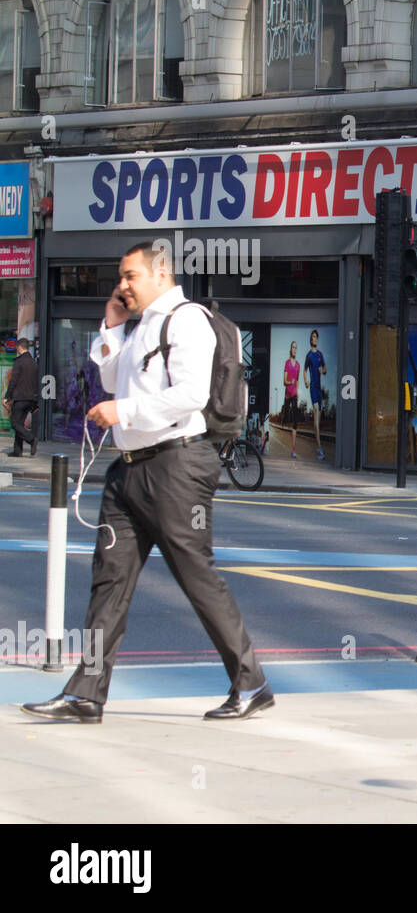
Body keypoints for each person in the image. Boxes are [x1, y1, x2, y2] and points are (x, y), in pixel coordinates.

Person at [21, 241, 273, 724]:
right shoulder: (140, 329)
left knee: (195, 575)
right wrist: (112, 328)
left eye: (130, 276)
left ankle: (252, 682)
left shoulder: (186, 320)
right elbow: (116, 380)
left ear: (160, 274)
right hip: (130, 469)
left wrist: (125, 411)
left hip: (176, 466)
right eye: (121, 277)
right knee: (109, 579)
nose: (122, 285)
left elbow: (190, 395)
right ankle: (86, 694)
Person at [3, 337, 39, 457]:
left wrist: (7, 397)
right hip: (30, 399)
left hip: (20, 398)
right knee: (19, 423)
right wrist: (35, 402)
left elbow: (13, 381)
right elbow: (36, 383)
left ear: (19, 347)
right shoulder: (33, 362)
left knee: (14, 423)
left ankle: (31, 439)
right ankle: (17, 451)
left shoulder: (19, 362)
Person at [305, 329, 327, 461]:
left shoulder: (320, 355)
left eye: (316, 337)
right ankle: (319, 449)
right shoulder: (308, 355)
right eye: (313, 337)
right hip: (313, 386)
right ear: (310, 340)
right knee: (315, 411)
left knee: (318, 418)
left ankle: (317, 443)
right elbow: (304, 370)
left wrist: (322, 370)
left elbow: (325, 369)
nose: (314, 339)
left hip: (319, 389)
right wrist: (306, 380)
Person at [283, 340, 301, 458]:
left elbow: (298, 380)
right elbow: (284, 382)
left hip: (294, 395)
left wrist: (297, 392)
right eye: (293, 348)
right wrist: (290, 382)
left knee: (295, 421)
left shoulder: (298, 365)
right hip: (287, 395)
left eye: (296, 348)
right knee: (286, 418)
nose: (294, 349)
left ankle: (293, 449)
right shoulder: (287, 363)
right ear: (291, 350)